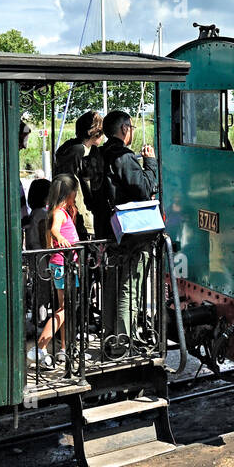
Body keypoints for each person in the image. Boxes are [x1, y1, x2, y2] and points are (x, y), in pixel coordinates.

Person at [100, 109, 159, 341]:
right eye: (131, 128)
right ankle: (125, 340)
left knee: (112, 284)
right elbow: (144, 189)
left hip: (108, 228)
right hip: (131, 232)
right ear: (124, 129)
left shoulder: (100, 154)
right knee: (129, 285)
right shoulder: (123, 156)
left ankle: (110, 335)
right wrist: (150, 163)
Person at [33, 174, 80, 369]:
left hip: (63, 265)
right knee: (64, 310)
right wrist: (60, 237)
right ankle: (40, 347)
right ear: (69, 193)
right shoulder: (59, 213)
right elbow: (54, 230)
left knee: (64, 308)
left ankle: (63, 348)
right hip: (64, 265)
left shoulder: (61, 211)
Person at [52, 112, 106, 241]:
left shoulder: (67, 149)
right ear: (96, 133)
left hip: (72, 213)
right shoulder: (80, 151)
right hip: (81, 215)